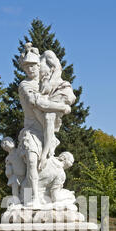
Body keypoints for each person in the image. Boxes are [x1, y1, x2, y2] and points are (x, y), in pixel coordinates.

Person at [17, 43, 71, 208]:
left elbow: (57, 70)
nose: (30, 69)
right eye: (27, 67)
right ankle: (35, 198)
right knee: (33, 161)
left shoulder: (43, 79)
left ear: (38, 65)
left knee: (49, 120)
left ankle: (47, 154)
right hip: (32, 130)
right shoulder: (25, 85)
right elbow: (39, 103)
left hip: (46, 132)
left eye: (33, 66)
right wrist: (63, 107)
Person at [1, 136, 26, 204]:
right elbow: (8, 172)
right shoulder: (8, 158)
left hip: (25, 174)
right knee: (14, 186)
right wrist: (8, 166)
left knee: (27, 188)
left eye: (8, 142)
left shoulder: (19, 151)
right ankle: (16, 202)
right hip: (15, 176)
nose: (6, 145)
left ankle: (27, 202)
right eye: (4, 144)